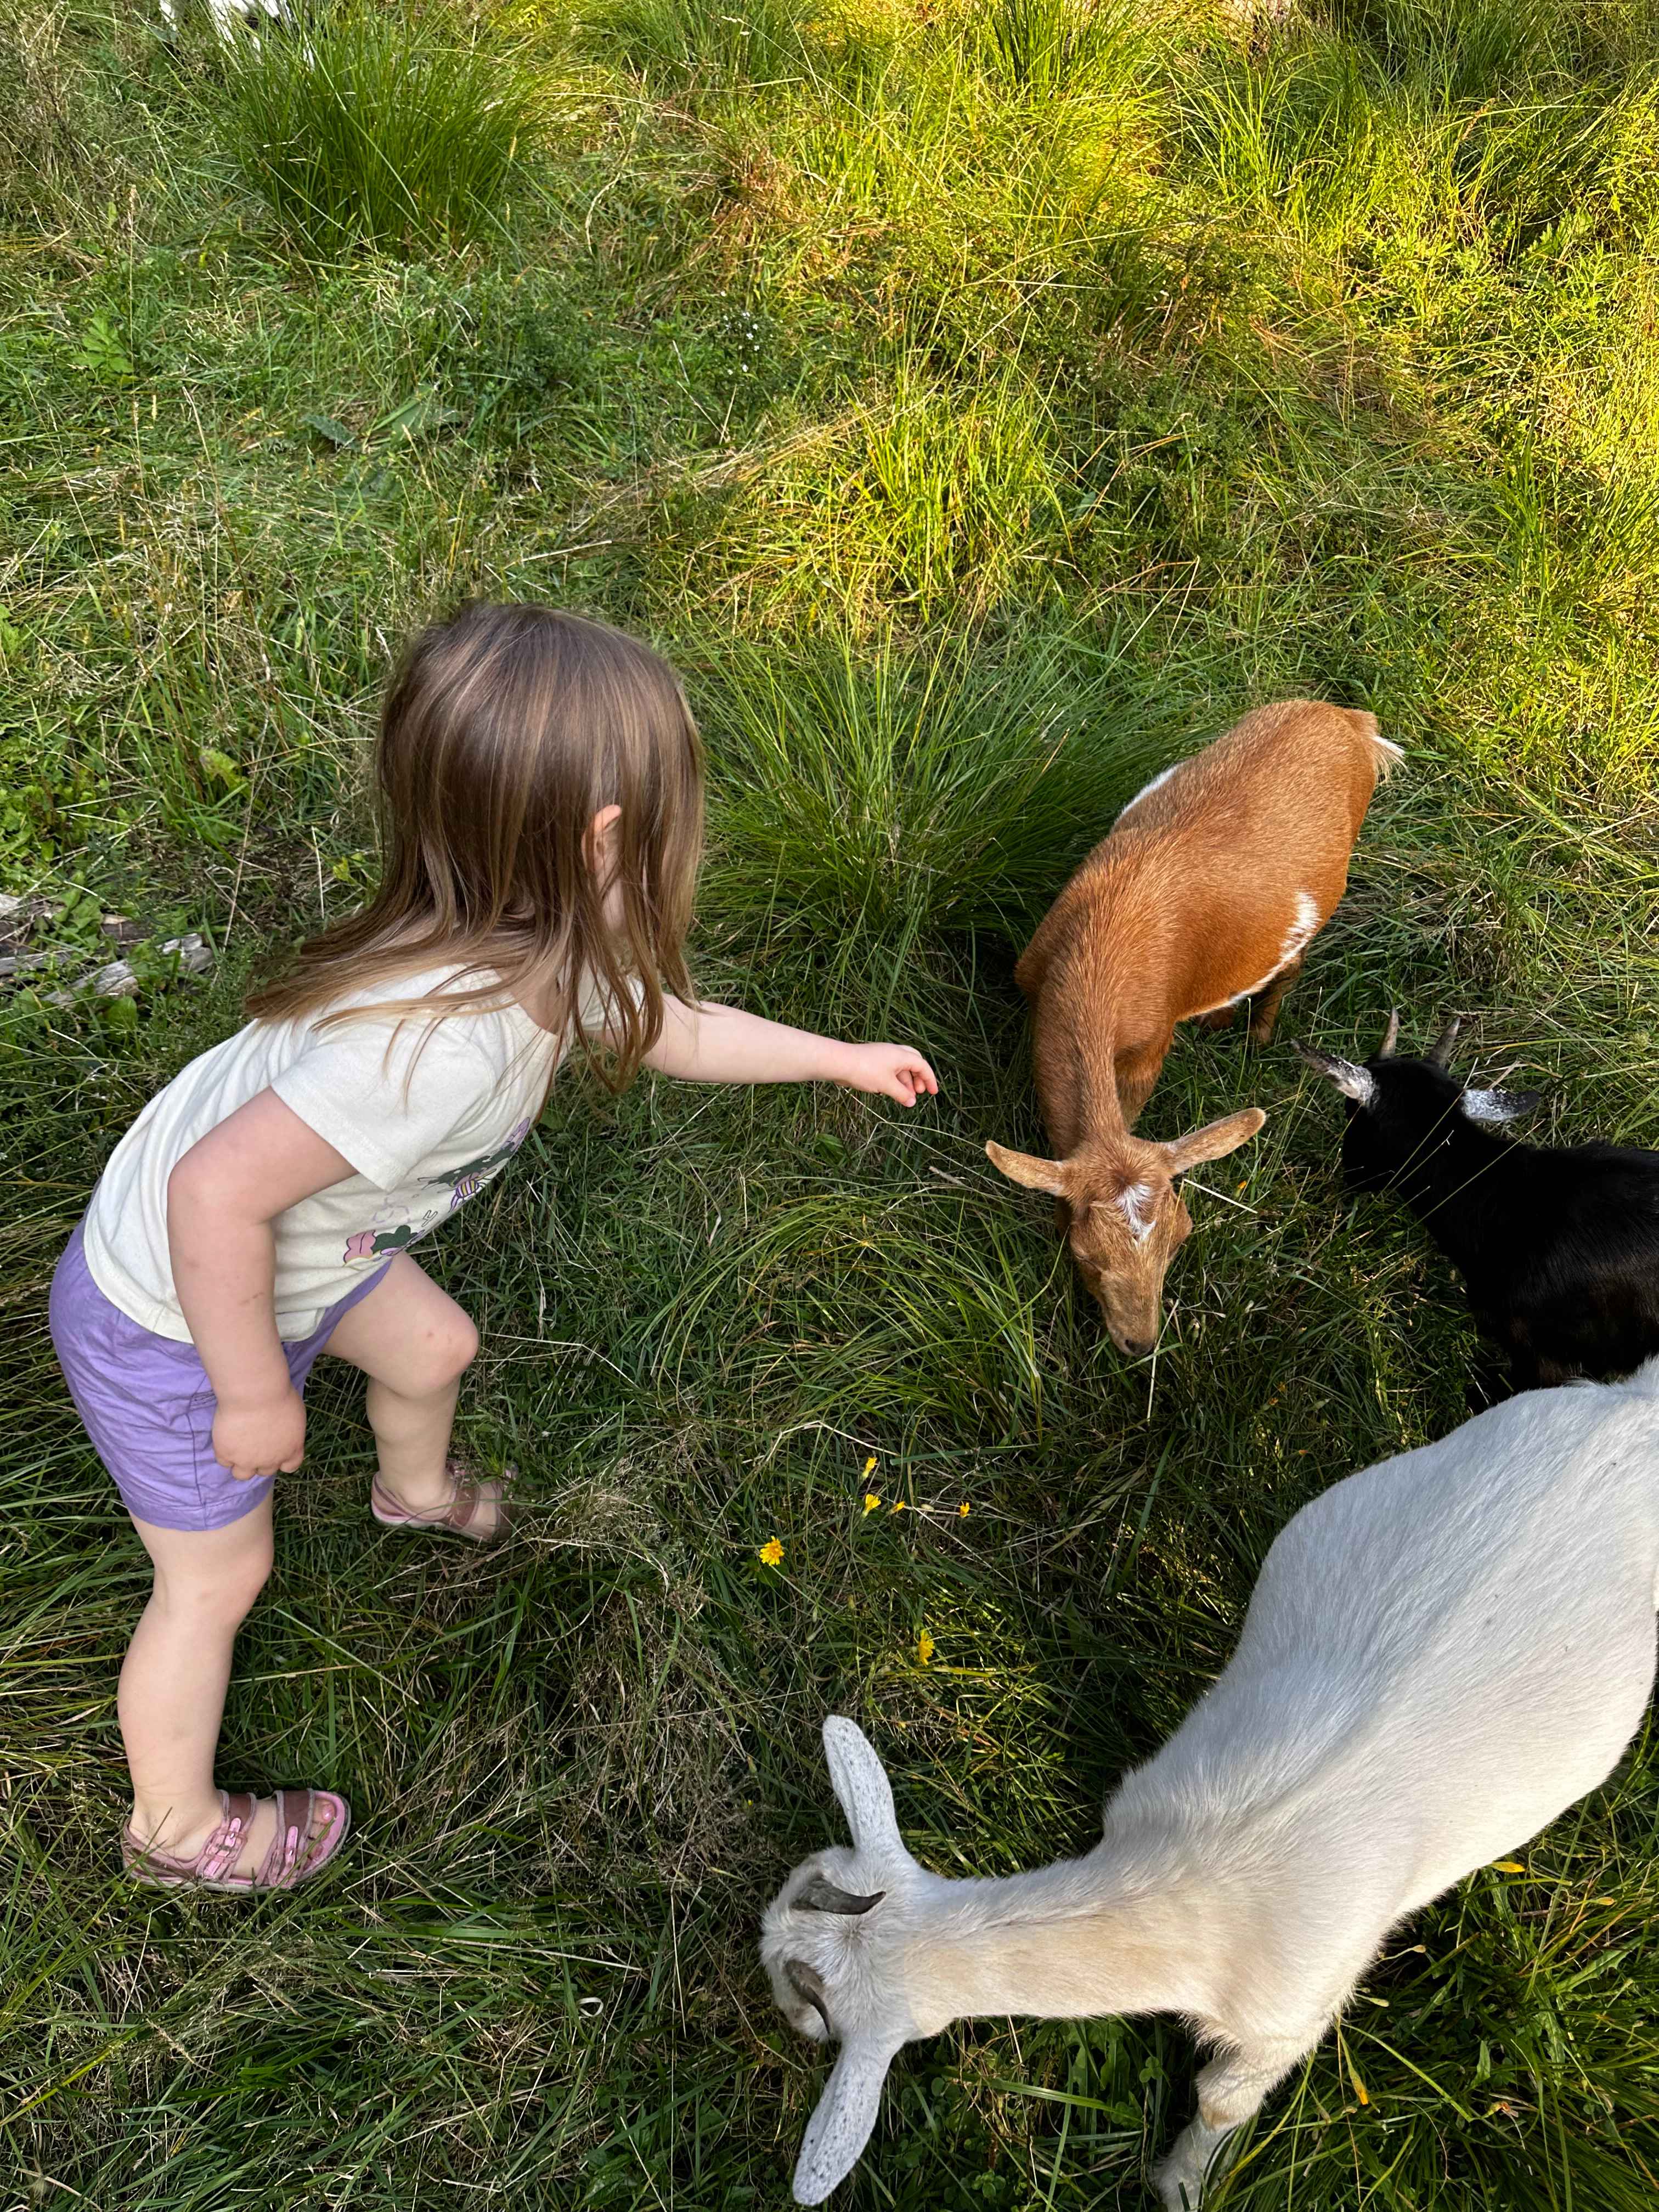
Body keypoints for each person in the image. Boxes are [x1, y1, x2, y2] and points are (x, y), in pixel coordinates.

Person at [49, 603, 939, 1895]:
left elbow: (668, 1029)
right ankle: (176, 1833)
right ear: (603, 843)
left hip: (308, 1251)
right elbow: (210, 1198)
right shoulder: (435, 1051)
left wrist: (834, 1059)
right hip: (171, 1316)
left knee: (435, 1343)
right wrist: (248, 1391)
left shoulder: (531, 935)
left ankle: (409, 1493)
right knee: (218, 1578)